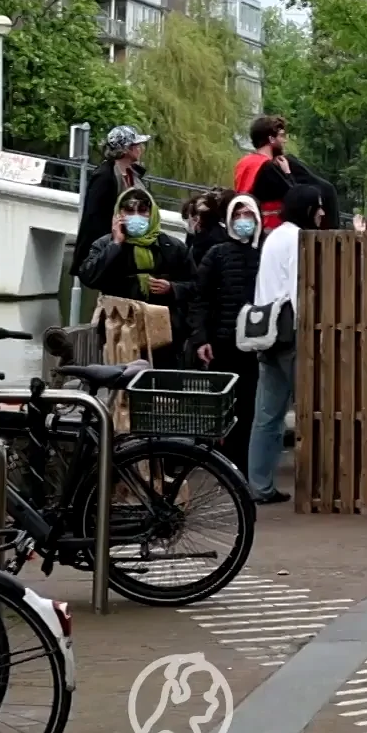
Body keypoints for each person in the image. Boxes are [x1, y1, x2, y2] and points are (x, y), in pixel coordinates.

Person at [247, 184, 323, 505]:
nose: (321, 212)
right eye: (317, 207)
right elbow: (298, 288)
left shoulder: (273, 236)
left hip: (266, 334)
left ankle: (259, 485)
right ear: (306, 209)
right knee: (313, 407)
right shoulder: (298, 239)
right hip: (291, 334)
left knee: (267, 416)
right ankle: (320, 485)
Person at [180, 195, 262, 473]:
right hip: (222, 342)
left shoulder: (265, 253)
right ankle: (221, 463)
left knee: (249, 407)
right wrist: (200, 338)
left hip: (255, 345)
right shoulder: (217, 254)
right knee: (222, 406)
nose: (242, 221)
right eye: (237, 216)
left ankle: (243, 465)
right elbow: (200, 298)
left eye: (247, 215)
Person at [77, 186, 194, 364]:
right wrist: (115, 245)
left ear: (152, 213)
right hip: (118, 331)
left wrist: (172, 288)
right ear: (119, 214)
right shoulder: (104, 245)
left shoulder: (173, 247)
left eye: (142, 210)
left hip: (164, 334)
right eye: (129, 211)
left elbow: (196, 286)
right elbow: (89, 277)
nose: (136, 216)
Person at [235, 115, 338, 233]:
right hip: (272, 227)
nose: (285, 140)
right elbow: (296, 199)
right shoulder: (268, 167)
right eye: (282, 136)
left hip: (251, 222)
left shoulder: (243, 163)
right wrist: (288, 173)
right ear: (271, 139)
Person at [75, 125, 151, 268]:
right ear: (126, 149)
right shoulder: (104, 176)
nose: (140, 148)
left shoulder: (133, 174)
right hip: (112, 245)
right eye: (136, 145)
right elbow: (95, 217)